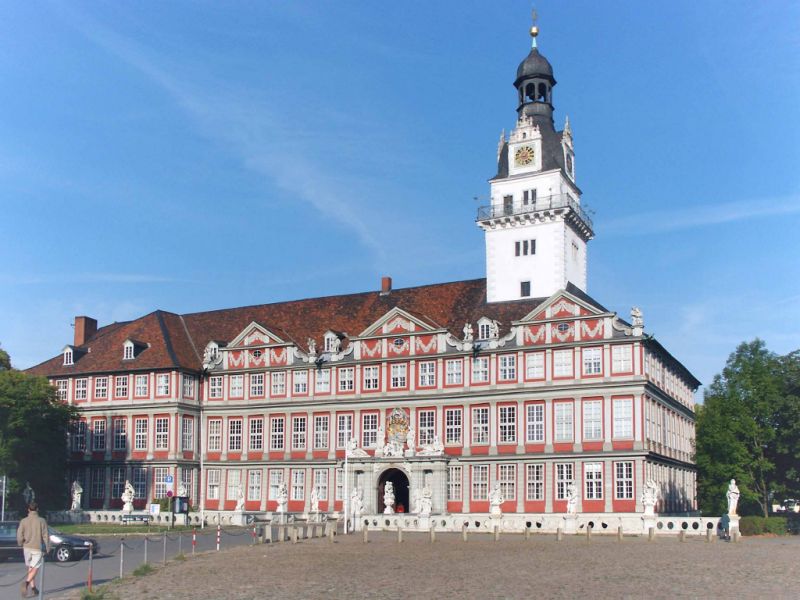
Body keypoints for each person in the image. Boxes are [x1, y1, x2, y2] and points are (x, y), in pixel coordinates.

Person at [16, 502, 51, 598]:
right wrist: (48, 547)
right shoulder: (41, 521)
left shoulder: (23, 521)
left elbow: (19, 534)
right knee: (35, 568)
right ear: (37, 509)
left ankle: (34, 588)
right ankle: (26, 584)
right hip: (36, 547)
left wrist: (20, 542)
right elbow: (45, 535)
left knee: (30, 567)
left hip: (26, 547)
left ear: (28, 509)